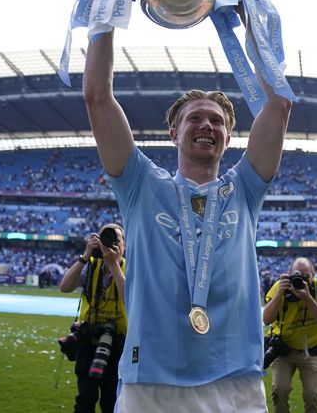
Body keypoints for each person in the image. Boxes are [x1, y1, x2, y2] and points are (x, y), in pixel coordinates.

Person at [82, 28, 292, 412]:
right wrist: (105, 21)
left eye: (217, 121)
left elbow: (278, 105)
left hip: (235, 382)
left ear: (228, 140)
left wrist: (252, 25)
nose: (207, 126)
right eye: (195, 118)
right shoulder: (140, 184)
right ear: (174, 132)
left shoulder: (244, 189)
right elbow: (97, 98)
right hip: (151, 381)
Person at [59, 224, 127, 413]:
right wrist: (85, 255)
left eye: (116, 239)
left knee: (111, 401)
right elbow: (65, 287)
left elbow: (129, 298)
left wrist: (113, 263)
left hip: (117, 343)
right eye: (106, 237)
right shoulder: (91, 266)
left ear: (124, 245)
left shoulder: (129, 267)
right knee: (85, 400)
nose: (111, 243)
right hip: (88, 339)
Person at [263, 257, 317, 413]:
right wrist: (280, 293)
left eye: (305, 276)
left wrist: (307, 298)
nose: (300, 280)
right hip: (283, 349)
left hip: (312, 350)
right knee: (279, 391)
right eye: (297, 275)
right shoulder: (279, 288)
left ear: (313, 275)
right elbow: (267, 320)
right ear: (289, 274)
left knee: (313, 395)